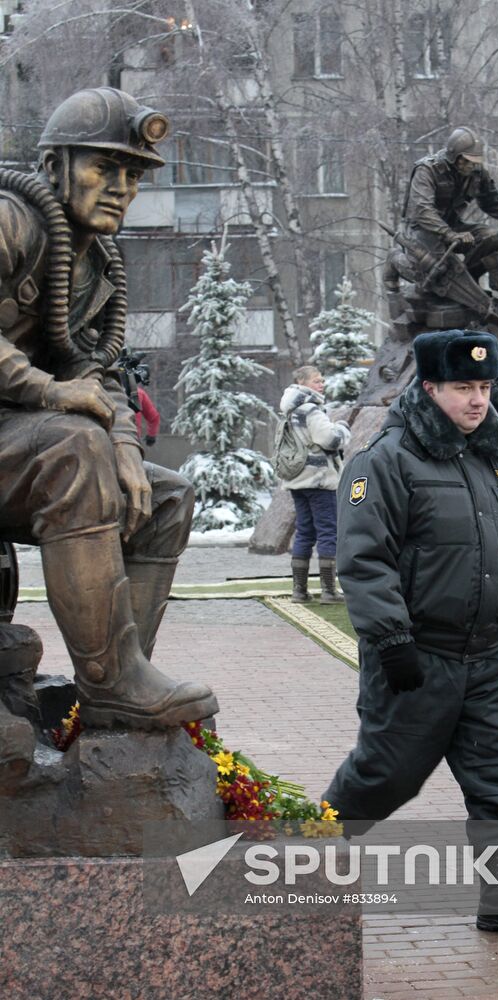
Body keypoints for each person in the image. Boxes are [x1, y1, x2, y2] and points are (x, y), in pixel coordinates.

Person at [0, 88, 218, 767]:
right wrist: (51, 392)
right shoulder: (11, 220)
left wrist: (125, 447)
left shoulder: (92, 264)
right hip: (28, 435)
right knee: (74, 448)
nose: (122, 188)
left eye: (133, 176)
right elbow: (67, 391)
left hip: (17, 442)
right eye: (105, 169)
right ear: (54, 165)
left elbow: (105, 376)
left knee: (164, 496)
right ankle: (110, 677)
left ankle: (119, 687)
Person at [324, 330, 498, 940]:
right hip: (418, 659)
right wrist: (392, 640)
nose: (477, 401)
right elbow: (364, 559)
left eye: (483, 387)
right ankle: (313, 858)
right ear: (429, 387)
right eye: (462, 388)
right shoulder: (387, 460)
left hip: (493, 660)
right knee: (383, 776)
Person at [395, 126, 498, 313]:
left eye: (474, 162)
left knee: (491, 237)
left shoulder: (476, 173)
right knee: (438, 269)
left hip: (452, 227)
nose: (471, 166)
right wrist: (449, 234)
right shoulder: (427, 170)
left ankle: (467, 283)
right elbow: (422, 210)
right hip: (422, 231)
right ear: (454, 156)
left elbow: (492, 202)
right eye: (467, 161)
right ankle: (429, 283)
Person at [279, 365, 351, 604]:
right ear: (303, 383)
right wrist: (342, 428)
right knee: (328, 531)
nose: (322, 384)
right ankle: (329, 591)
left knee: (304, 532)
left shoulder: (289, 409)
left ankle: (299, 590)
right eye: (316, 381)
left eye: (322, 380)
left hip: (298, 478)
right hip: (320, 479)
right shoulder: (311, 410)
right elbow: (329, 440)